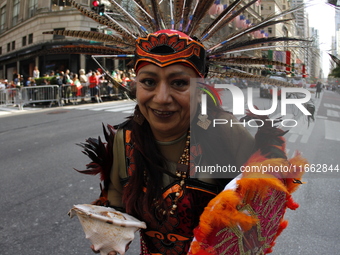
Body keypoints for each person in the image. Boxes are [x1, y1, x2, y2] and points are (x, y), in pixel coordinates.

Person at [68, 1, 307, 254]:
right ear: (135, 85)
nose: (161, 97)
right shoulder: (125, 139)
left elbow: (259, 221)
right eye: (149, 81)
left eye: (179, 83)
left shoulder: (225, 132)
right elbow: (116, 198)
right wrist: (109, 228)